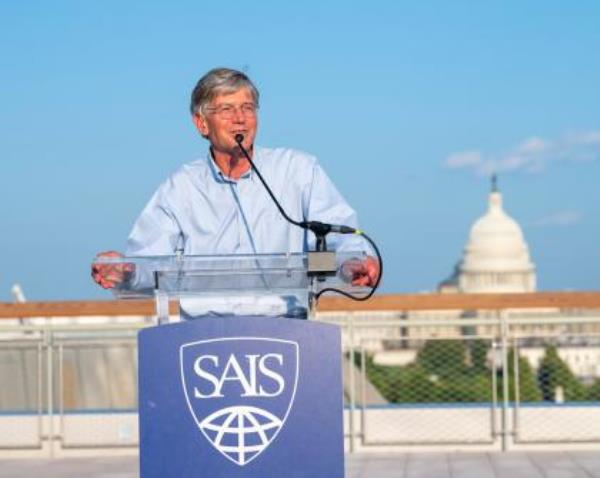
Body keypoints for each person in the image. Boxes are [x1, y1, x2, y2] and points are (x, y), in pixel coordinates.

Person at [92, 68, 379, 290]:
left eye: (248, 108)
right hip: (205, 336)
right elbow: (149, 262)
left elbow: (342, 240)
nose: (240, 118)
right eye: (227, 109)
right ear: (201, 123)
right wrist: (125, 270)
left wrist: (353, 264)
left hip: (286, 331)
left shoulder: (299, 170)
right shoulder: (181, 186)